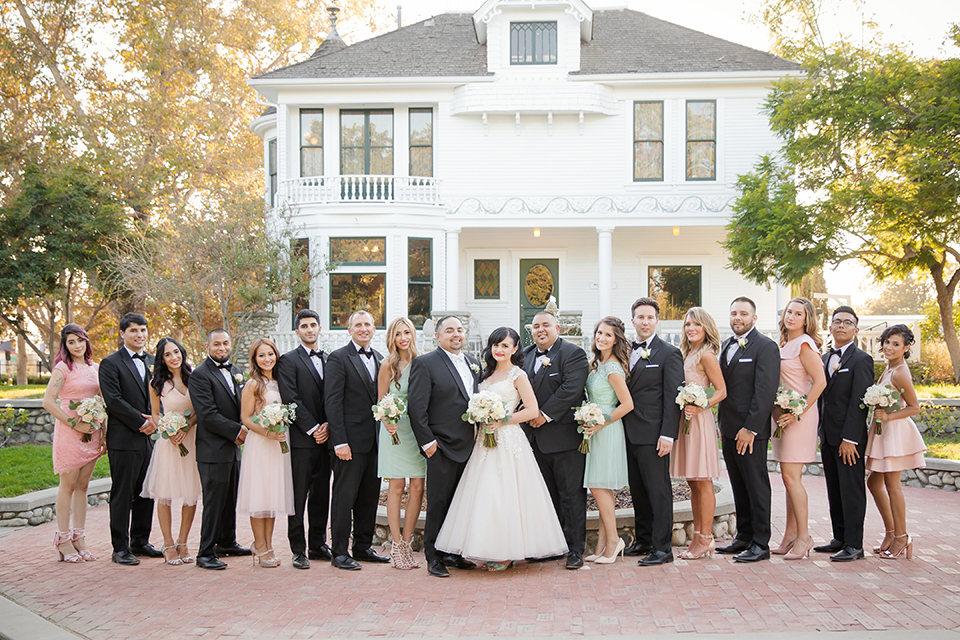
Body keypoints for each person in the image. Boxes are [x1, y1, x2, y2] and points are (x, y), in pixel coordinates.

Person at [436, 327, 567, 570]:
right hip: (484, 441)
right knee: (486, 495)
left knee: (507, 494)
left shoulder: (518, 375)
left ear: (515, 349)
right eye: (496, 345)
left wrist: (502, 419)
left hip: (508, 440)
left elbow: (531, 410)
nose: (499, 350)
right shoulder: (483, 376)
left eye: (505, 346)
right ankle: (488, 548)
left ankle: (508, 553)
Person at [408, 315, 482, 578]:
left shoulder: (474, 363)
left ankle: (454, 552)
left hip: (470, 446)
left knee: (460, 503)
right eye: (449, 330)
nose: (456, 334)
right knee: (438, 503)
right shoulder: (425, 364)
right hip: (440, 446)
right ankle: (433, 556)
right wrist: (428, 444)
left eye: (460, 330)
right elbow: (416, 408)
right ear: (437, 336)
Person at [521, 311, 590, 570]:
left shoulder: (573, 354)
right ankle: (552, 546)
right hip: (534, 441)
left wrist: (544, 415)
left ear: (557, 327)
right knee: (546, 497)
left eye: (546, 325)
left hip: (564, 439)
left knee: (571, 496)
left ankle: (575, 550)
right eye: (536, 326)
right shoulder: (525, 356)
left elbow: (570, 389)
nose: (540, 329)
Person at [716, 297, 780, 563]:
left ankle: (760, 543)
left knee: (756, 485)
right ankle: (743, 536)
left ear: (754, 318)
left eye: (743, 313)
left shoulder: (765, 347)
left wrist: (751, 428)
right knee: (738, 484)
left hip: (750, 430)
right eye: (733, 313)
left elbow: (765, 392)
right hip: (729, 428)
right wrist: (723, 425)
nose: (737, 318)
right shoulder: (727, 345)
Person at [325, 310, 390, 570]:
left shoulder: (380, 358)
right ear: (349, 330)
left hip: (375, 442)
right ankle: (339, 551)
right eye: (358, 325)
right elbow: (332, 401)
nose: (364, 329)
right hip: (349, 443)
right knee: (344, 497)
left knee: (369, 497)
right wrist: (339, 441)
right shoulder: (339, 358)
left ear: (374, 329)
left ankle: (362, 546)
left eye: (368, 325)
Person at [623, 298, 684, 567]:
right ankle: (644, 539)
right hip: (627, 432)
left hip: (654, 434)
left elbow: (674, 396)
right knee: (638, 489)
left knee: (659, 492)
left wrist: (668, 434)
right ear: (633, 320)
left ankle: (662, 548)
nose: (645, 322)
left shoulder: (669, 353)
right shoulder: (624, 351)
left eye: (649, 317)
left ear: (657, 320)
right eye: (640, 317)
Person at [99, 313, 162, 565]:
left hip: (150, 439)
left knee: (146, 492)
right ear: (122, 333)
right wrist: (142, 421)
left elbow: (162, 394)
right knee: (123, 493)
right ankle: (120, 548)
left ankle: (140, 541)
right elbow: (113, 401)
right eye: (134, 330)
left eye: (143, 330)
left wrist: (157, 421)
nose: (139, 335)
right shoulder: (110, 363)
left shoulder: (154, 361)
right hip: (124, 438)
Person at [815, 306, 874, 562]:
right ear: (830, 328)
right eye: (837, 322)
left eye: (847, 323)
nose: (841, 326)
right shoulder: (825, 359)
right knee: (834, 488)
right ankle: (839, 537)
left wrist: (850, 438)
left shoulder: (861, 360)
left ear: (855, 329)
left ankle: (854, 544)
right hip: (828, 436)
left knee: (851, 490)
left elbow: (860, 402)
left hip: (849, 439)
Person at [189, 329, 251, 570]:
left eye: (225, 343)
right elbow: (207, 414)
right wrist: (238, 431)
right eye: (217, 344)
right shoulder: (200, 375)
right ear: (207, 346)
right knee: (214, 501)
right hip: (213, 450)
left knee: (229, 498)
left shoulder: (236, 371)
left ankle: (227, 542)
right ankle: (205, 552)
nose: (222, 348)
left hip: (234, 450)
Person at [769, 298, 826, 561]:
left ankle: (805, 537)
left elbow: (820, 382)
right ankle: (790, 535)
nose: (791, 316)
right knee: (786, 478)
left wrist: (797, 411)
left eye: (798, 313)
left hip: (799, 418)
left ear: (807, 319)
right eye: (789, 312)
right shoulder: (785, 345)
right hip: (783, 417)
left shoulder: (804, 344)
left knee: (792, 477)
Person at [277, 309, 333, 570]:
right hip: (302, 440)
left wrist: (328, 427)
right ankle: (298, 549)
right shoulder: (288, 361)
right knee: (298, 496)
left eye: (313, 325)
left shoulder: (330, 359)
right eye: (304, 326)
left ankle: (318, 544)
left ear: (320, 328)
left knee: (322, 494)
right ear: (297, 331)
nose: (309, 329)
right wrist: (313, 428)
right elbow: (291, 398)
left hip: (328, 439)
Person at [43, 324, 104, 562]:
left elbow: (101, 398)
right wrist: (74, 423)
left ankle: (79, 537)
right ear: (65, 345)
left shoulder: (95, 367)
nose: (77, 345)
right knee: (67, 485)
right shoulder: (62, 368)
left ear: (86, 342)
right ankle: (62, 539)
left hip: (92, 431)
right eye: (71, 342)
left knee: (83, 486)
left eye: (80, 340)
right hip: (70, 431)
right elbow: (48, 401)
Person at [671, 307, 727, 560]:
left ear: (706, 328)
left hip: (700, 421)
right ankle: (697, 537)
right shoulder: (687, 353)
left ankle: (707, 538)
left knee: (703, 481)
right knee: (692, 481)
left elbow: (721, 390)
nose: (691, 328)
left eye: (696, 324)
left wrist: (700, 404)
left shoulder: (707, 355)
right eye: (687, 324)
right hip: (686, 422)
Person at [865, 324, 925, 560]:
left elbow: (914, 407)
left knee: (893, 485)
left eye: (896, 344)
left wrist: (888, 416)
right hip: (884, 430)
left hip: (895, 432)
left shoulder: (900, 372)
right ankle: (891, 533)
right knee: (873, 483)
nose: (889, 347)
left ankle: (902, 536)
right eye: (887, 342)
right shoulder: (890, 368)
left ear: (906, 347)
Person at [141, 337, 201, 566]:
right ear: (162, 359)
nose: (174, 357)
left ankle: (183, 541)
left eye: (176, 352)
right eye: (168, 354)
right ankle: (167, 543)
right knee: (164, 495)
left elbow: (198, 410)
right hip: (170, 443)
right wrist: (168, 429)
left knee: (191, 493)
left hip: (191, 439)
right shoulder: (157, 384)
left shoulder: (194, 377)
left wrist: (186, 426)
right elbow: (155, 414)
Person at [238, 338, 295, 568]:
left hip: (279, 446)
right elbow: (245, 418)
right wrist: (267, 432)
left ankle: (268, 545)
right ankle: (259, 546)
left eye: (270, 354)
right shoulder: (254, 384)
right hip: (261, 444)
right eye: (261, 355)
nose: (267, 359)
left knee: (271, 496)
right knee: (259, 495)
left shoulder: (280, 382)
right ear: (255, 359)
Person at [376, 317, 426, 570]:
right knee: (397, 486)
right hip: (394, 432)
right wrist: (387, 422)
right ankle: (396, 547)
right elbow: (380, 403)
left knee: (417, 487)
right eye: (398, 334)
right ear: (392, 339)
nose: (403, 338)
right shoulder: (387, 366)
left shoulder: (422, 363)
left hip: (416, 432)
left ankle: (407, 544)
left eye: (407, 332)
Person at [582, 317, 633, 565]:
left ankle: (614, 541)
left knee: (598, 486)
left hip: (607, 428)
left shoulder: (613, 368)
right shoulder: (598, 364)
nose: (601, 338)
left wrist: (601, 421)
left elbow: (627, 404)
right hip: (594, 427)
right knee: (602, 488)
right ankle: (603, 546)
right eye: (599, 333)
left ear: (616, 340)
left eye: (608, 335)